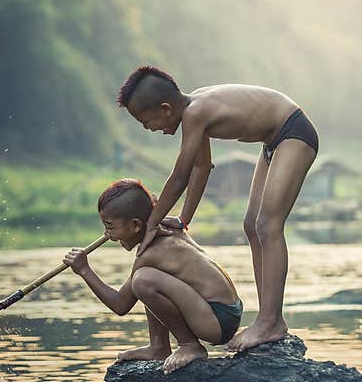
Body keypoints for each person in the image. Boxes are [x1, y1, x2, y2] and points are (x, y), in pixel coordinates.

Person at [116, 66, 319, 352]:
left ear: (165, 108)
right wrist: (184, 219)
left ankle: (270, 321)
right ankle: (267, 319)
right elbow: (202, 167)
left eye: (146, 121)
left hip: (292, 133)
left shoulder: (195, 112)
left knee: (267, 226)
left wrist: (152, 222)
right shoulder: (194, 112)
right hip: (273, 142)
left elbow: (180, 176)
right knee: (251, 225)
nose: (149, 129)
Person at [64, 179, 243, 374]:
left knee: (143, 281)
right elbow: (152, 202)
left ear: (135, 225)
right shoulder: (166, 225)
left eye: (110, 226)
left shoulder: (150, 254)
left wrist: (84, 271)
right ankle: (158, 346)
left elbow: (120, 305)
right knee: (148, 280)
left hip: (217, 320)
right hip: (224, 313)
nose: (107, 235)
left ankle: (189, 345)